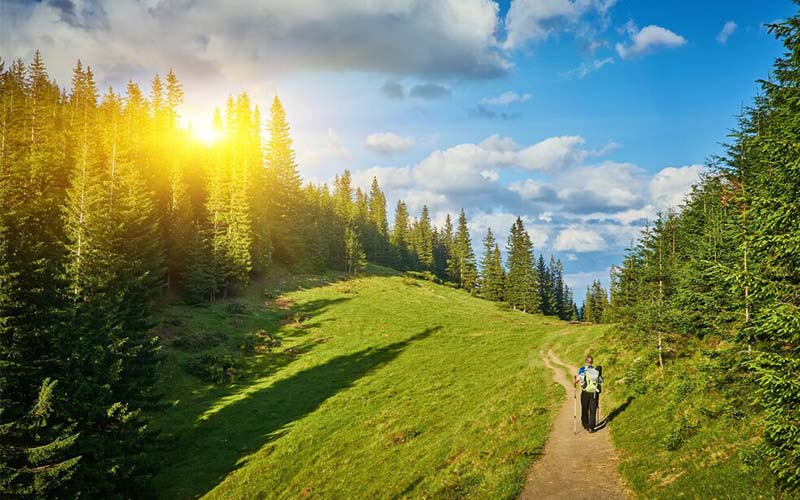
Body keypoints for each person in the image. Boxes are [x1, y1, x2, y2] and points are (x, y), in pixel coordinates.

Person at [573, 355, 602, 432]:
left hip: (585, 393)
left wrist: (575, 380)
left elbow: (578, 380)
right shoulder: (596, 371)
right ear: (592, 362)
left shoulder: (582, 370)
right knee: (593, 410)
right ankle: (591, 427)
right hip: (594, 393)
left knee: (584, 408)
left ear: (585, 362)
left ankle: (585, 424)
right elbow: (600, 381)